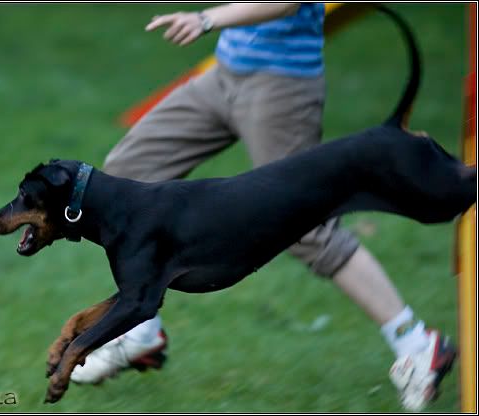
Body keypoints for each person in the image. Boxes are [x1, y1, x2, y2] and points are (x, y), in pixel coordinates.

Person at [70, 3, 456, 411]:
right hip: (224, 73)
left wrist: (205, 19)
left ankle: (416, 342)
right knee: (130, 171)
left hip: (282, 85)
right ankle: (140, 331)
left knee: (308, 229)